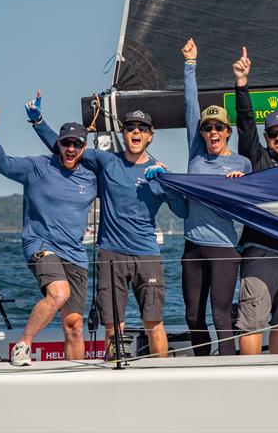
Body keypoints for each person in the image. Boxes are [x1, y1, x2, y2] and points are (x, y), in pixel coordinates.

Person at [29, 94, 186, 359]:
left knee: (154, 323)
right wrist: (39, 123)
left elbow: (182, 211)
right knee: (113, 325)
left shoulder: (159, 172)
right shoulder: (106, 161)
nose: (136, 131)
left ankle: (163, 376)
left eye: (142, 128)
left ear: (150, 135)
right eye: (130, 128)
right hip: (111, 254)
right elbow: (68, 148)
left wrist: (167, 182)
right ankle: (114, 377)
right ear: (123, 134)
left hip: (147, 254)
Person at [0, 106, 96, 366]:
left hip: (75, 254)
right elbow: (4, 164)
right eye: (65, 143)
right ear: (58, 144)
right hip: (41, 243)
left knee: (75, 325)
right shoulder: (37, 167)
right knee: (58, 293)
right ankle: (23, 345)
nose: (70, 149)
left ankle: (76, 378)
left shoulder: (91, 177)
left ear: (83, 148)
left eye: (76, 144)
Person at [225, 45, 278, 355]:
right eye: (273, 134)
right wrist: (242, 84)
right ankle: (248, 385)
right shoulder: (258, 161)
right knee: (251, 323)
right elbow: (246, 126)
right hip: (261, 254)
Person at [181, 38, 253, 356]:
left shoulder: (241, 164)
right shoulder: (197, 155)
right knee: (193, 316)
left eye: (218, 128)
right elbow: (189, 106)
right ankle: (201, 367)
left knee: (221, 315)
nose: (212, 132)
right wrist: (190, 65)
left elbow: (247, 205)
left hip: (223, 248)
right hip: (192, 246)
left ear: (227, 132)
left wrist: (241, 184)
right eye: (207, 127)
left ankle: (226, 368)